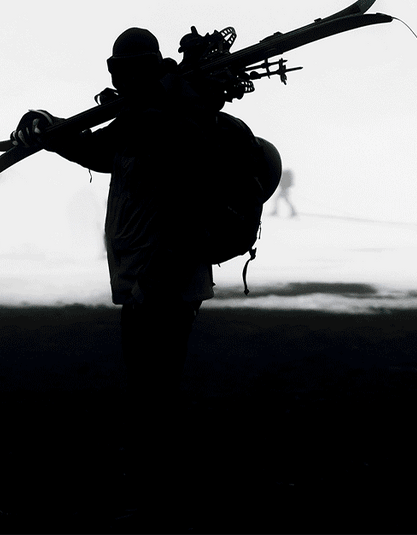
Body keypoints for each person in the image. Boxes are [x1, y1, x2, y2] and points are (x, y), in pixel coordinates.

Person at [15, 30, 272, 420]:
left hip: (168, 276)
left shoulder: (179, 116)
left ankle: (156, 463)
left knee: (155, 386)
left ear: (153, 66)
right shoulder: (136, 119)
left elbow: (183, 193)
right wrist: (48, 126)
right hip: (139, 277)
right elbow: (97, 149)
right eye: (118, 72)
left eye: (133, 70)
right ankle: (151, 456)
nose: (125, 80)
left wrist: (157, 280)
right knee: (147, 384)